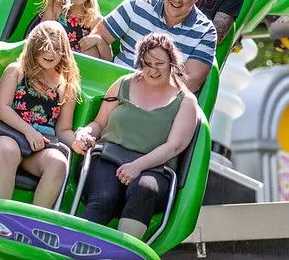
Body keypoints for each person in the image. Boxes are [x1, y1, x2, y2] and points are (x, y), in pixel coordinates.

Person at [69, 33, 199, 239]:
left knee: (144, 190)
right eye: (147, 63)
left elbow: (174, 147)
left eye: (159, 64)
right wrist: (84, 132)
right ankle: (75, 245)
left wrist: (138, 166)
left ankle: (123, 251)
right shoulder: (124, 83)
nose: (153, 70)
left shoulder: (186, 101)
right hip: (108, 157)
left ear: (171, 63)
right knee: (105, 196)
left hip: (154, 168)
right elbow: (100, 123)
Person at [0, 21, 81, 208]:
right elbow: (1, 107)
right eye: (45, 47)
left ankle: (34, 221)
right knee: (9, 151)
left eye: (56, 48)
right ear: (34, 46)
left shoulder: (66, 86)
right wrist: (28, 131)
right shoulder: (17, 71)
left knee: (58, 163)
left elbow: (63, 129)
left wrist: (77, 142)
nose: (50, 53)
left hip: (39, 146)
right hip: (8, 135)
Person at [79, 0, 217, 93]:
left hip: (159, 98)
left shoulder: (205, 31)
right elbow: (96, 38)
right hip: (114, 83)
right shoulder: (138, 4)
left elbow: (192, 81)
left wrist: (146, 94)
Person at [32, 0, 111, 60]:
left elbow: (108, 59)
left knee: (91, 47)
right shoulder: (57, 8)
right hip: (57, 58)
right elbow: (41, 33)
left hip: (81, 63)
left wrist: (99, 40)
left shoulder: (94, 18)